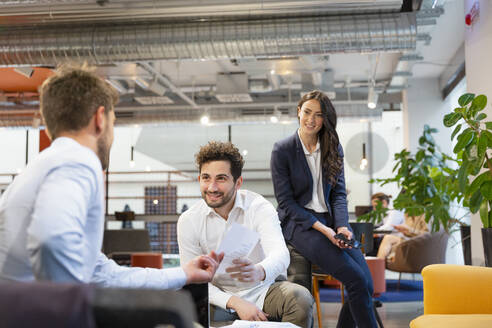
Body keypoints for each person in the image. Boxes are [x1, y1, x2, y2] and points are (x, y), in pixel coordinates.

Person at [0, 64, 222, 289]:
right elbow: (50, 239)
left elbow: (101, 273)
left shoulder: (39, 168)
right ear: (100, 119)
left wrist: (183, 274)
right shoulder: (79, 160)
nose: (112, 135)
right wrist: (68, 308)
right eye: (113, 123)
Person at [270, 90, 378, 328]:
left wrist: (342, 226)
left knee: (366, 285)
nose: (311, 119)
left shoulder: (332, 147)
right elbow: (286, 203)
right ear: (298, 111)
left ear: (325, 119)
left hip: (330, 222)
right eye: (307, 112)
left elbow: (339, 193)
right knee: (356, 280)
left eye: (318, 115)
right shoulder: (283, 150)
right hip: (299, 224)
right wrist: (325, 231)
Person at [177, 141, 313, 327]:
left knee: (300, 299)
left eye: (221, 178)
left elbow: (280, 254)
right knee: (188, 302)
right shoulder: (189, 220)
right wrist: (234, 302)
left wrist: (260, 271)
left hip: (263, 290)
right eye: (206, 178)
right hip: (217, 294)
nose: (212, 187)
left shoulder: (258, 207)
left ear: (238, 182)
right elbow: (193, 279)